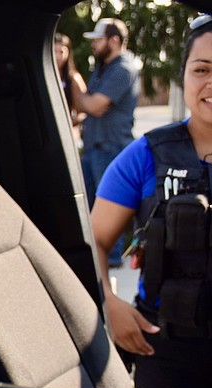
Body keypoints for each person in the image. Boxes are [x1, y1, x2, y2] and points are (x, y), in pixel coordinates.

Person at [90, 14, 212, 388]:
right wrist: (109, 305)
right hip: (167, 350)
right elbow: (93, 241)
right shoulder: (144, 156)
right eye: (201, 69)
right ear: (184, 77)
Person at [71, 18, 140, 267]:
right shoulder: (103, 68)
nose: (94, 45)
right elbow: (86, 106)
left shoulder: (124, 69)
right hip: (92, 148)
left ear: (114, 40)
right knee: (87, 209)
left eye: (98, 40)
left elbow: (93, 105)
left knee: (110, 207)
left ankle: (111, 260)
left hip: (110, 148)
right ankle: (94, 258)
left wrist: (74, 81)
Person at [54, 33, 86, 127]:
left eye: (61, 52)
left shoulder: (74, 78)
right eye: (54, 51)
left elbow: (83, 111)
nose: (57, 56)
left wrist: (68, 124)